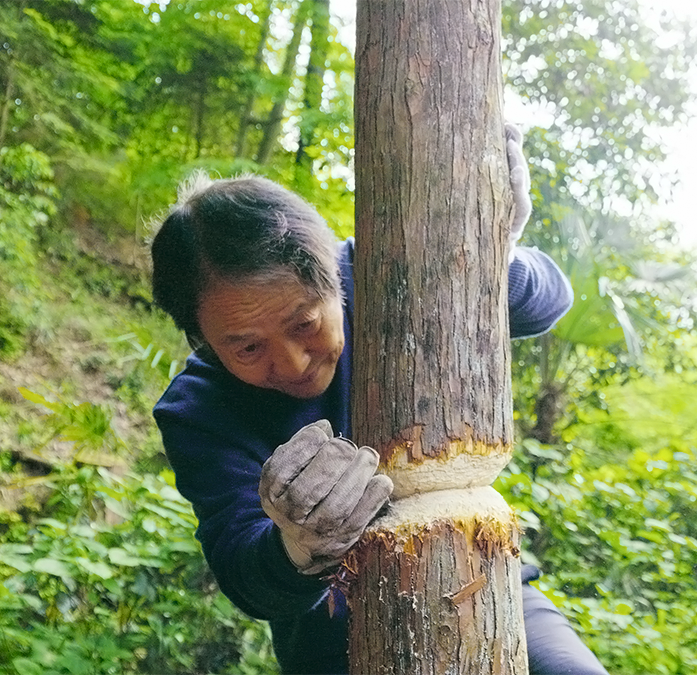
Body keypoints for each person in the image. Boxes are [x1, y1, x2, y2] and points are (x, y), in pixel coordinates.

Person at [149, 126, 609, 675]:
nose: (293, 363)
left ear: (335, 281)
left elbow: (547, 302)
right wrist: (299, 544)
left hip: (485, 580)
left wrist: (489, 259)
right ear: (201, 338)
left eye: (305, 323)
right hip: (333, 635)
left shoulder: (387, 272)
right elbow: (246, 573)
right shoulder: (197, 409)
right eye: (248, 347)